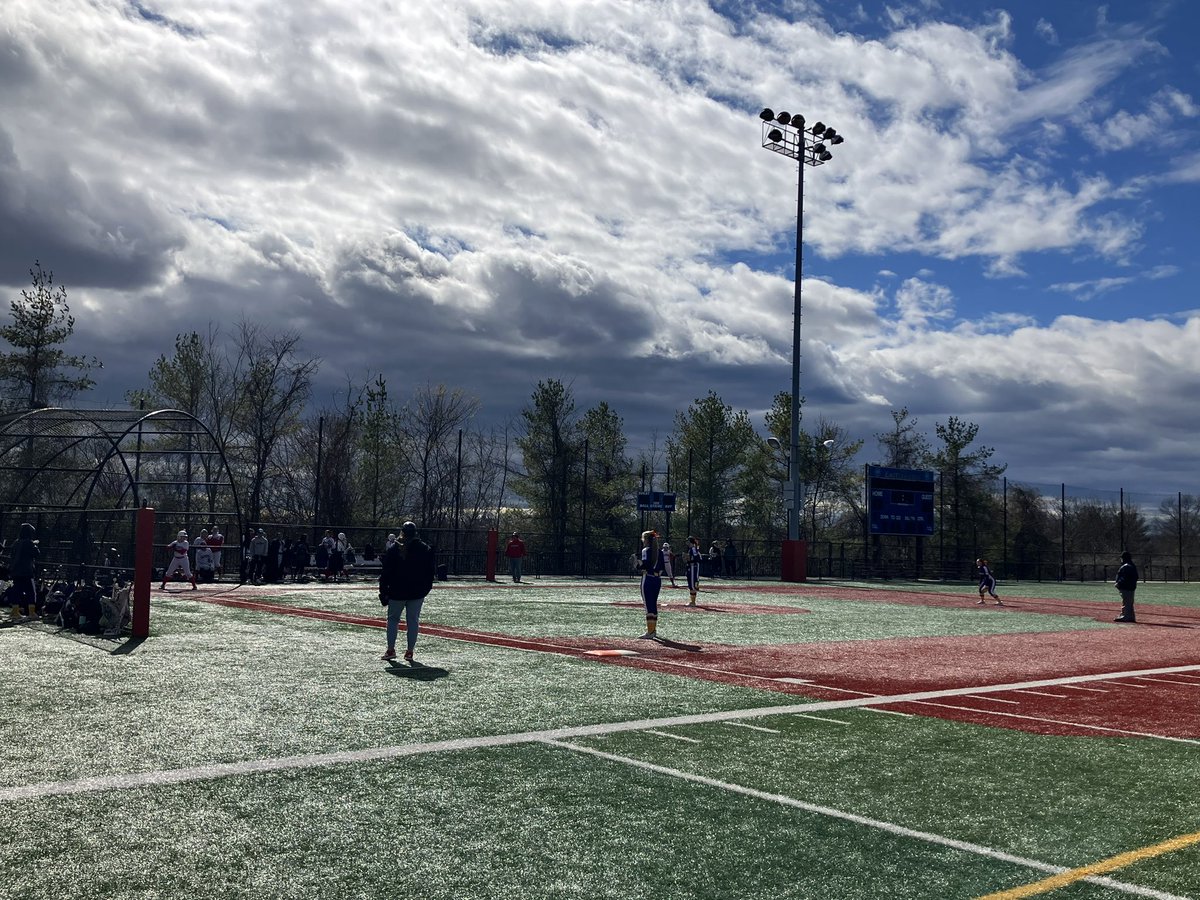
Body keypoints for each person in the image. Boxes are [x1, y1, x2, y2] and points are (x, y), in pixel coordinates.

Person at [379, 521, 436, 661]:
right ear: (415, 533)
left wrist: (383, 590)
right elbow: (430, 572)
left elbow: (386, 572)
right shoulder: (424, 549)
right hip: (417, 591)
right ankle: (410, 651)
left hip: (397, 591)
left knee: (393, 620)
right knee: (413, 621)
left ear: (402, 532)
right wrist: (426, 589)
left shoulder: (394, 549)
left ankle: (391, 649)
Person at [7, 522, 39, 620]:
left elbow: (12, 555)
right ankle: (31, 612)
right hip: (26, 571)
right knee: (31, 592)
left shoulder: (16, 543)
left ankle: (15, 611)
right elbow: (36, 554)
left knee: (17, 591)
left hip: (16, 571)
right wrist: (35, 545)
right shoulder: (29, 543)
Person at [638, 530, 665, 639]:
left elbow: (645, 566)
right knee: (653, 604)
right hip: (657, 579)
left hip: (648, 578)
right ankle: (653, 630)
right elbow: (662, 567)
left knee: (648, 605)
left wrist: (638, 565)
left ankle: (650, 632)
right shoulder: (660, 552)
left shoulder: (646, 550)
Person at [1114, 551, 1138, 623]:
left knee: (1126, 602)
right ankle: (1130, 616)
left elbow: (1125, 577)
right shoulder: (1131, 565)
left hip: (1126, 587)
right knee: (1129, 602)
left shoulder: (1126, 566)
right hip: (1130, 587)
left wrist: (1119, 583)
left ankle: (1125, 616)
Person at [685, 535, 703, 607]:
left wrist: (689, 559)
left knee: (692, 585)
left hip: (693, 567)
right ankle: (692, 601)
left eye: (687, 541)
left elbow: (696, 558)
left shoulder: (693, 549)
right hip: (691, 567)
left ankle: (693, 602)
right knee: (690, 584)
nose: (686, 542)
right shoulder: (691, 549)